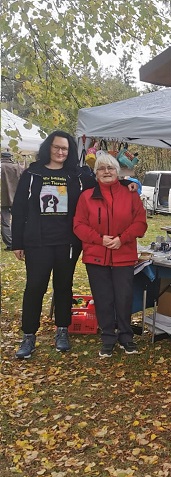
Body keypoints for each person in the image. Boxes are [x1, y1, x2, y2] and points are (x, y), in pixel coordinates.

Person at [11, 131, 138, 359]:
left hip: (67, 242)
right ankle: (29, 335)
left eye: (65, 149)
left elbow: (107, 180)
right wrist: (17, 242)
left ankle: (62, 331)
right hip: (37, 242)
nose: (61, 152)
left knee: (63, 286)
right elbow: (19, 209)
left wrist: (128, 183)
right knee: (34, 287)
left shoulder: (77, 175)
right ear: (48, 147)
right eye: (57, 147)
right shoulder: (32, 173)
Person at [73, 152, 147, 358]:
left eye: (110, 168)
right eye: (102, 168)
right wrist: (100, 239)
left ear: (117, 172)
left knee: (123, 297)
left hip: (123, 253)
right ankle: (107, 337)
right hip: (96, 255)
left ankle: (126, 336)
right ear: (96, 173)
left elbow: (140, 223)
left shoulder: (130, 193)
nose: (106, 172)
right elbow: (78, 225)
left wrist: (122, 238)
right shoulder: (86, 196)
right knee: (103, 297)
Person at [1, 151, 23, 250]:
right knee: (18, 220)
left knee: (5, 222)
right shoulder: (17, 167)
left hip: (3, 199)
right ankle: (18, 242)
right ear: (10, 157)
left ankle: (10, 243)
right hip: (16, 197)